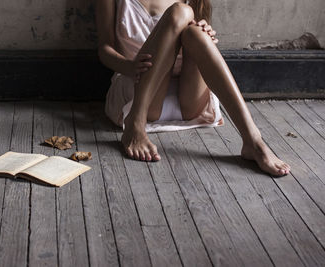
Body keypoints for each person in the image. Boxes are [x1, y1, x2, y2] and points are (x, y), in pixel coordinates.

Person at [96, 0, 291, 176]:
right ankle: (135, 123)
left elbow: (194, 41)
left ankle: (253, 140)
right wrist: (129, 66)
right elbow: (105, 49)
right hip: (139, 94)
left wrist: (206, 35)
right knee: (180, 11)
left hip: (188, 102)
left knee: (194, 32)